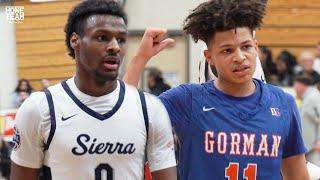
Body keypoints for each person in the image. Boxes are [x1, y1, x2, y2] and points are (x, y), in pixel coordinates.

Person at [123, 0, 310, 179]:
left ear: (256, 47)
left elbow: (299, 176)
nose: (240, 57)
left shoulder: (283, 103)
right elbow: (127, 115)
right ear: (209, 57)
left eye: (246, 47)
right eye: (227, 50)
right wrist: (140, 58)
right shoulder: (187, 100)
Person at [10, 1, 177, 180]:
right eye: (102, 37)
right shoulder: (38, 109)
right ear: (75, 40)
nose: (115, 46)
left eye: (121, 39)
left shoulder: (151, 109)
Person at [293, 75, 320, 166]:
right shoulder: (307, 98)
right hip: (307, 146)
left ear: (300, 85)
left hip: (314, 147)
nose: (295, 89)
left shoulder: (314, 97)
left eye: (295, 86)